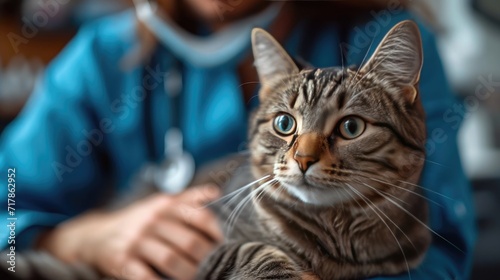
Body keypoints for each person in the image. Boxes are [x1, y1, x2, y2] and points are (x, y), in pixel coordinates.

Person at [0, 0, 475, 279]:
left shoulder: (378, 38)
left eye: (349, 128)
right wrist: (85, 239)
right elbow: (10, 198)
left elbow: (445, 248)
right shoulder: (102, 55)